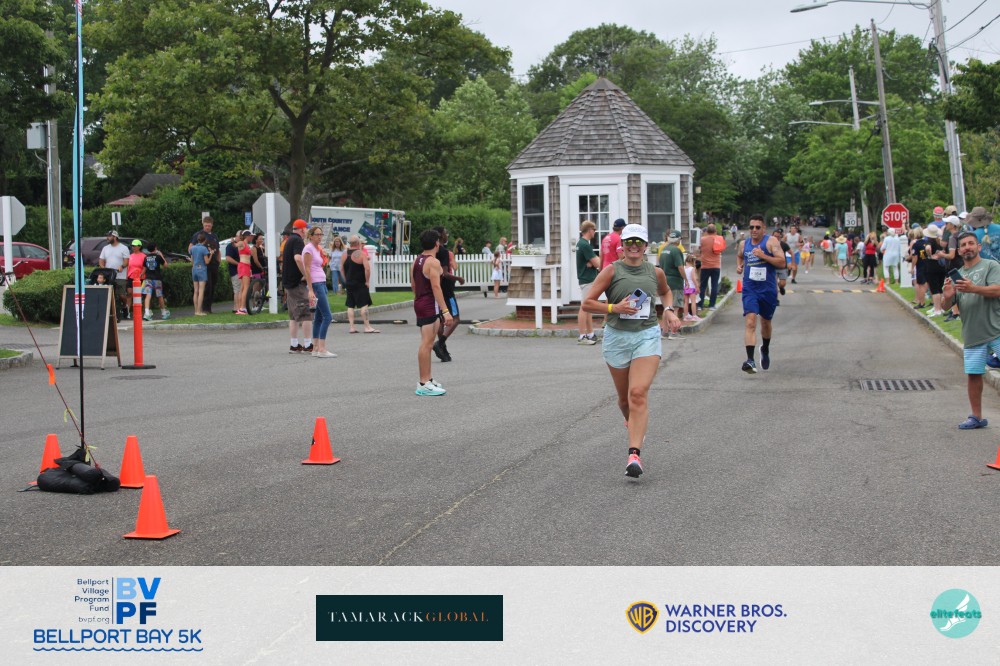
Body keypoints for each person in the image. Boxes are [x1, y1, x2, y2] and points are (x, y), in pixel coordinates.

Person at [581, 224, 681, 478]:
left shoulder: (655, 272)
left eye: (638, 242)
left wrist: (669, 310)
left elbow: (666, 292)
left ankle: (634, 455)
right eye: (629, 242)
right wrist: (614, 308)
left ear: (645, 246)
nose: (634, 246)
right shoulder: (611, 270)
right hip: (617, 338)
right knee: (625, 399)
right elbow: (587, 303)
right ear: (622, 246)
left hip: (646, 336)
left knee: (637, 393)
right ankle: (634, 422)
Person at [942, 231, 1000, 429]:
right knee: (974, 375)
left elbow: (998, 289)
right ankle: (976, 417)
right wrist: (947, 295)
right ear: (959, 251)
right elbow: (946, 306)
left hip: (996, 330)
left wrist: (974, 288)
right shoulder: (957, 275)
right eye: (963, 245)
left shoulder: (991, 266)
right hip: (973, 334)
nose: (967, 247)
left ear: (979, 247)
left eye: (971, 243)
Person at [736, 215, 785, 373]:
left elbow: (782, 262)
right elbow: (740, 256)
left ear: (764, 228)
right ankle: (750, 360)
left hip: (767, 289)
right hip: (750, 288)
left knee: (765, 322)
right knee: (750, 321)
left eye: (758, 227)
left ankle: (765, 348)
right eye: (751, 227)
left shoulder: (771, 242)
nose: (754, 230)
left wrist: (763, 256)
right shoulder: (744, 244)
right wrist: (739, 266)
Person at [412, 229, 454, 396]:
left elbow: (413, 285)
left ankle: (428, 379)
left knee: (427, 343)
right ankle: (423, 383)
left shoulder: (417, 260)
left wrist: (419, 300)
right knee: (427, 344)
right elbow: (436, 287)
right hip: (429, 305)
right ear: (437, 243)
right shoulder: (433, 262)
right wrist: (445, 311)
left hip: (421, 302)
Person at [433, 226, 465, 361]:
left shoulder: (432, 251)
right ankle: (440, 343)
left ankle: (443, 349)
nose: (447, 235)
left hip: (435, 288)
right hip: (446, 289)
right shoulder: (444, 252)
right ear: (441, 235)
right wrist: (458, 278)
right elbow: (445, 273)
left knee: (441, 320)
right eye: (446, 233)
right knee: (456, 319)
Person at [302, 226, 335, 358]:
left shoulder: (317, 249)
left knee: (319, 317)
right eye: (317, 234)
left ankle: (315, 347)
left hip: (322, 282)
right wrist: (310, 289)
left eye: (321, 234)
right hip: (316, 284)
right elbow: (307, 269)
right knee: (328, 316)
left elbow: (319, 265)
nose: (320, 237)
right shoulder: (308, 249)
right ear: (311, 236)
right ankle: (322, 348)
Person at [282, 219, 313, 353]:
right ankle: (308, 344)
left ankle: (294, 344)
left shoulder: (289, 240)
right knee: (306, 313)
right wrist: (306, 274)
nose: (307, 232)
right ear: (302, 229)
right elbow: (298, 258)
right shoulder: (298, 240)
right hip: (296, 282)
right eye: (306, 229)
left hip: (288, 282)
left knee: (293, 316)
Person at [341, 234, 377, 334]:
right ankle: (367, 327)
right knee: (364, 304)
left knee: (350, 305)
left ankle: (352, 327)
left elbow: (341, 269)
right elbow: (367, 269)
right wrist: (367, 281)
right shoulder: (361, 254)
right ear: (358, 243)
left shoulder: (344, 254)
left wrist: (346, 280)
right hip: (360, 283)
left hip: (349, 283)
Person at [656, 230, 686, 340]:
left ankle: (664, 332)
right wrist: (686, 279)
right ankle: (674, 332)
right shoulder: (676, 250)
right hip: (675, 281)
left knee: (667, 307)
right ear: (678, 239)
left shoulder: (664, 249)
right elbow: (680, 267)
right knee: (675, 307)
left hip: (665, 280)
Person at [576, 220, 601, 345]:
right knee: (584, 307)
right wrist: (595, 261)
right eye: (594, 230)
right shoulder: (585, 245)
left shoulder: (581, 243)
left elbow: (594, 262)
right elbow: (597, 263)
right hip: (587, 279)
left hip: (586, 279)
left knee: (589, 307)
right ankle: (582, 336)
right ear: (589, 230)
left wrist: (593, 262)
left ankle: (590, 334)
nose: (595, 232)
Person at [189, 216, 220, 314]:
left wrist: (218, 261)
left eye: (209, 226)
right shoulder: (198, 235)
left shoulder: (214, 236)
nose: (207, 227)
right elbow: (190, 248)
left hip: (214, 264)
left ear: (212, 225)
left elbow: (218, 250)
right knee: (206, 286)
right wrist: (196, 260)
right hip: (203, 265)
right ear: (203, 224)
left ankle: (208, 307)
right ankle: (202, 308)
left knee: (212, 286)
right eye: (206, 225)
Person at [98, 230, 131, 319]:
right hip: (109, 275)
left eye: (109, 236)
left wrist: (122, 266)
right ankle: (111, 312)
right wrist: (103, 268)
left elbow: (126, 261)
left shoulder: (123, 248)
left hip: (120, 275)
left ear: (115, 237)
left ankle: (125, 306)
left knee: (121, 295)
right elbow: (101, 260)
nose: (107, 238)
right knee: (109, 294)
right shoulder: (105, 248)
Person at [698, 223, 724, 310]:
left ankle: (700, 305)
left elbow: (698, 249)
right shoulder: (719, 239)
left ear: (707, 231)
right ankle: (712, 305)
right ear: (715, 231)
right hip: (716, 265)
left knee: (703, 286)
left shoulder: (702, 240)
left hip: (705, 266)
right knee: (714, 285)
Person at [141, 242, 170, 321]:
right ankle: (163, 313)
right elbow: (165, 265)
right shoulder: (158, 256)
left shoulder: (146, 257)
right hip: (157, 279)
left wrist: (141, 274)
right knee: (159, 295)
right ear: (155, 248)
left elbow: (144, 268)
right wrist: (161, 255)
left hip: (148, 279)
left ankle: (147, 313)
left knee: (148, 295)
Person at [189, 232, 212, 316]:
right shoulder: (204, 249)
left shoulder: (192, 248)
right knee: (201, 291)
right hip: (201, 269)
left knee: (195, 291)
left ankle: (196, 311)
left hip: (194, 269)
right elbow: (207, 262)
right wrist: (211, 254)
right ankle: (199, 311)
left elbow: (192, 261)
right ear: (204, 240)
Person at [125, 239, 146, 318]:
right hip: (131, 276)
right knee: (129, 293)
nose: (133, 247)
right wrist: (126, 276)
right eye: (132, 246)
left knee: (140, 295)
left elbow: (145, 267)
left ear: (139, 247)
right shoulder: (130, 256)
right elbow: (128, 266)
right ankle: (127, 312)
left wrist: (142, 273)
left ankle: (141, 312)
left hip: (140, 277)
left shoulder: (143, 256)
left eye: (135, 246)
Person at [234, 230, 253, 315]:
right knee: (246, 287)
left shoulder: (247, 245)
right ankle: (242, 308)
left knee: (242, 287)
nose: (252, 237)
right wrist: (234, 241)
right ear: (247, 236)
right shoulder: (242, 243)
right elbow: (237, 244)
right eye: (251, 236)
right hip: (244, 265)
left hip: (245, 266)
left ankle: (240, 308)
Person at [683, 254, 701, 322]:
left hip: (685, 286)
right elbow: (693, 278)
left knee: (686, 302)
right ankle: (694, 316)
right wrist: (697, 286)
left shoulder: (684, 268)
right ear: (693, 261)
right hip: (692, 286)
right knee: (693, 302)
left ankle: (686, 316)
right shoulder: (692, 269)